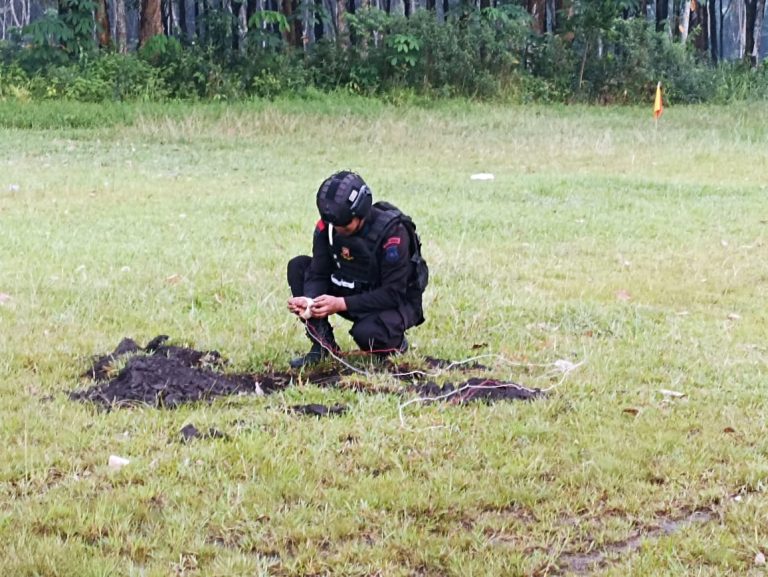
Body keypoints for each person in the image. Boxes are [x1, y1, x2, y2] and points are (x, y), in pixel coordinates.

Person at [286, 171, 426, 368]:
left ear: (361, 213)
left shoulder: (393, 233)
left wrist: (341, 303)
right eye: (334, 224)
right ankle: (323, 345)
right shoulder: (328, 227)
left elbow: (393, 293)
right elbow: (318, 272)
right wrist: (309, 302)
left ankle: (394, 345)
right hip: (352, 287)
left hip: (394, 301)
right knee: (298, 267)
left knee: (367, 334)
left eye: (344, 225)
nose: (338, 229)